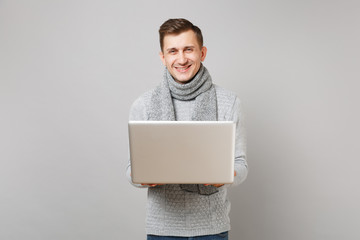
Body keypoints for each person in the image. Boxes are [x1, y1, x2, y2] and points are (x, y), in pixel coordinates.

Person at [126, 18, 248, 240]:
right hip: (161, 229)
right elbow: (131, 170)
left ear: (202, 53)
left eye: (188, 49)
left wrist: (226, 175)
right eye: (173, 51)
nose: (181, 59)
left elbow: (241, 165)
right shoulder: (143, 105)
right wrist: (143, 177)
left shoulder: (229, 101)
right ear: (163, 57)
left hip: (212, 228)